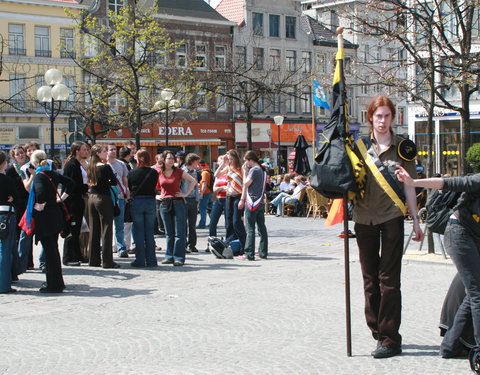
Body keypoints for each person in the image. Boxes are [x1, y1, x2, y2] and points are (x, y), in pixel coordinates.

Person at [352, 96, 423, 358]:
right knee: (370, 281)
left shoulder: (404, 148)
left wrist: (415, 220)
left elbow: (410, 187)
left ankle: (390, 339)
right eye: (378, 116)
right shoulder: (358, 147)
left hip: (392, 218)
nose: (382, 121)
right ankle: (378, 330)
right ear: (369, 117)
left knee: (389, 281)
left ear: (393, 118)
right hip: (363, 218)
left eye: (387, 116)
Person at [396, 165, 480, 359]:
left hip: (475, 237)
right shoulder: (477, 181)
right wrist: (413, 182)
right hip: (459, 233)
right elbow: (447, 183)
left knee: (473, 292)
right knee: (477, 293)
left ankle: (450, 345)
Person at [29, 150, 74, 293]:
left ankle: (53, 284)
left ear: (35, 163)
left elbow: (40, 194)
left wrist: (40, 205)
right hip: (56, 215)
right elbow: (71, 183)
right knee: (53, 250)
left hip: (46, 218)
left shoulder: (39, 177)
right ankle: (57, 282)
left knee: (50, 251)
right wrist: (61, 198)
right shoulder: (52, 174)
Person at [156, 150, 196, 266]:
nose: (171, 160)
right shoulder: (159, 172)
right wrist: (157, 196)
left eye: (173, 158)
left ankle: (179, 257)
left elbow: (193, 181)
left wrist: (185, 194)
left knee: (180, 232)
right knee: (169, 233)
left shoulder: (178, 171)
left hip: (178, 202)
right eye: (169, 158)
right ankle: (169, 256)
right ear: (164, 160)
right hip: (165, 203)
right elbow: (152, 187)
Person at [87, 144, 119, 269]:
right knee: (106, 229)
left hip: (91, 198)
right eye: (104, 151)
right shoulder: (105, 167)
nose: (106, 153)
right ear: (97, 154)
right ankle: (107, 261)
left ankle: (93, 259)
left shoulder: (90, 166)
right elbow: (114, 182)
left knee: (94, 229)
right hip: (103, 198)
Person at [128, 150, 159, 268]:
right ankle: (152, 260)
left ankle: (140, 260)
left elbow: (130, 187)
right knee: (149, 232)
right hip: (150, 201)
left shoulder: (132, 172)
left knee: (139, 232)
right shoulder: (154, 172)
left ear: (140, 158)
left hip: (137, 201)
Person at [61, 141, 89, 266]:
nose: (86, 152)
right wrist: (86, 187)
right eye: (83, 149)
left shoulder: (78, 164)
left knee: (77, 229)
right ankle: (68, 257)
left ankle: (77, 255)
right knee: (72, 229)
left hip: (78, 200)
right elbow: (72, 185)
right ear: (77, 151)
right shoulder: (71, 165)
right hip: (72, 201)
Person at [238, 151, 268, 261]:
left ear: (251, 160)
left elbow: (246, 183)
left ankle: (249, 253)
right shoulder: (262, 170)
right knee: (262, 228)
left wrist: (244, 171)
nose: (245, 162)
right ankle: (263, 252)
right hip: (260, 201)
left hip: (252, 201)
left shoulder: (254, 170)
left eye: (246, 160)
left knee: (250, 228)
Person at [5, 145, 29, 275]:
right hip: (16, 204)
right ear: (13, 157)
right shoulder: (10, 171)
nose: (21, 155)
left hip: (28, 202)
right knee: (17, 233)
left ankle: (28, 261)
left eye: (22, 153)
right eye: (18, 154)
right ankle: (17, 262)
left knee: (27, 232)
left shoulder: (29, 167)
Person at [107, 143, 130, 258]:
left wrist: (127, 194)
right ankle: (106, 247)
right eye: (110, 149)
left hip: (119, 197)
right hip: (106, 198)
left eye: (114, 150)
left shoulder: (121, 164)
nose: (113, 151)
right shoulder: (102, 165)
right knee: (106, 225)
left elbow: (125, 180)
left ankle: (121, 248)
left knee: (119, 224)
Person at [0, 151, 18, 293]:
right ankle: (4, 284)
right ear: (4, 163)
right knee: (5, 250)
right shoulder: (7, 180)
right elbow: (13, 197)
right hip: (5, 214)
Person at [223, 150, 246, 250]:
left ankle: (244, 243)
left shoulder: (241, 168)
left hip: (238, 195)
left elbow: (245, 184)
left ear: (236, 158)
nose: (230, 161)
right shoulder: (228, 167)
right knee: (229, 222)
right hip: (229, 196)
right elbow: (216, 175)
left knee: (236, 221)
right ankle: (230, 243)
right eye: (229, 159)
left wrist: (243, 199)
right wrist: (224, 163)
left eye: (231, 159)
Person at [181, 153, 200, 253]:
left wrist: (197, 199)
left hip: (193, 200)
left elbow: (196, 186)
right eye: (197, 161)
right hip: (184, 200)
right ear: (192, 162)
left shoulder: (195, 172)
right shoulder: (183, 171)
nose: (198, 163)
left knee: (192, 224)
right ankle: (183, 245)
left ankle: (192, 245)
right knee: (183, 224)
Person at [209, 155, 231, 238]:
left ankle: (228, 240)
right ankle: (212, 239)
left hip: (226, 199)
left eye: (223, 161)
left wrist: (220, 188)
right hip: (218, 199)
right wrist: (221, 188)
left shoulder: (228, 172)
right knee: (213, 221)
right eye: (220, 161)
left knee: (227, 221)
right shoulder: (219, 175)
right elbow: (214, 189)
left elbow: (229, 188)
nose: (222, 162)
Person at [197, 160, 213, 229]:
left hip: (206, 193)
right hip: (210, 192)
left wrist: (201, 193)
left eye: (198, 165)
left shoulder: (204, 173)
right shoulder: (208, 171)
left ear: (200, 165)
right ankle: (212, 222)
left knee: (202, 208)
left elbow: (204, 183)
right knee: (210, 208)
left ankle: (202, 224)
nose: (197, 167)